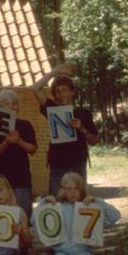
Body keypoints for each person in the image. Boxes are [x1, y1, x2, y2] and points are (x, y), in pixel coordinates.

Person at [34, 172, 121, 255]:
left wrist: (97, 201)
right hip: (62, 252)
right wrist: (44, 202)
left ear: (82, 190)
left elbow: (115, 216)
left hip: (82, 251)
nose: (73, 192)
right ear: (62, 190)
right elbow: (34, 220)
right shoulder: (57, 207)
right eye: (68, 188)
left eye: (76, 188)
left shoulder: (89, 207)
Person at [31, 63, 99, 192]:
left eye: (65, 90)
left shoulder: (83, 113)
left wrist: (81, 128)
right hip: (58, 163)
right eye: (57, 91)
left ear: (72, 92)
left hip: (77, 162)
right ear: (54, 94)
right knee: (57, 202)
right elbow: (35, 88)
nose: (61, 94)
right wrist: (54, 72)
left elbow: (94, 141)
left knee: (78, 201)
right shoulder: (51, 109)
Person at [0, 89, 38, 217]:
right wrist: (7, 143)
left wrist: (19, 140)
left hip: (22, 180)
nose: (12, 106)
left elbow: (32, 149)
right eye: (7, 103)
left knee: (22, 217)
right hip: (1, 180)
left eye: (14, 103)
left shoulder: (25, 125)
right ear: (0, 106)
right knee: (1, 217)